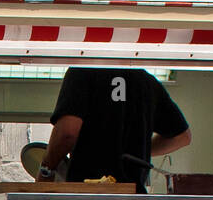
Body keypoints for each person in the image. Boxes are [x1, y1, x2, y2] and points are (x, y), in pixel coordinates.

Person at [38, 67, 191, 192]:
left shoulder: (83, 71)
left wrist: (47, 169)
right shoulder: (147, 82)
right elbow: (182, 137)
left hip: (87, 197)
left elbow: (68, 133)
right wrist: (135, 149)